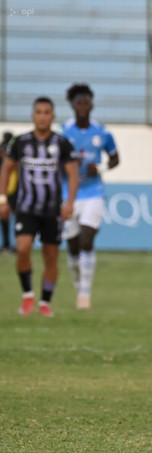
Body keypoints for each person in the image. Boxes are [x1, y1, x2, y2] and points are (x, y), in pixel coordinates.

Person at [0, 97, 79, 317]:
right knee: (23, 249)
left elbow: (72, 174)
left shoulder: (62, 143)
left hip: (52, 210)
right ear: (33, 115)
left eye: (47, 112)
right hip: (26, 208)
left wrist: (70, 202)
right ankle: (27, 295)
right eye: (39, 112)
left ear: (52, 116)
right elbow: (6, 169)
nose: (42, 116)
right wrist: (2, 199)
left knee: (51, 255)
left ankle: (45, 302)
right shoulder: (20, 142)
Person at [61, 83, 120, 310]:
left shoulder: (102, 132)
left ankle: (84, 293)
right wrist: (68, 165)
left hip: (94, 192)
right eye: (79, 103)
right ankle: (78, 282)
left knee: (87, 239)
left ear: (91, 105)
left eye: (86, 102)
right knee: (73, 245)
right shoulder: (63, 132)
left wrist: (101, 167)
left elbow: (115, 158)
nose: (83, 106)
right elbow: (55, 160)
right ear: (73, 106)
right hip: (69, 195)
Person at [0, 131, 16, 252]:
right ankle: (7, 244)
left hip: (10, 190)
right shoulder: (12, 152)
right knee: (6, 218)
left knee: (7, 219)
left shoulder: (14, 153)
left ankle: (8, 244)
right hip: (9, 190)